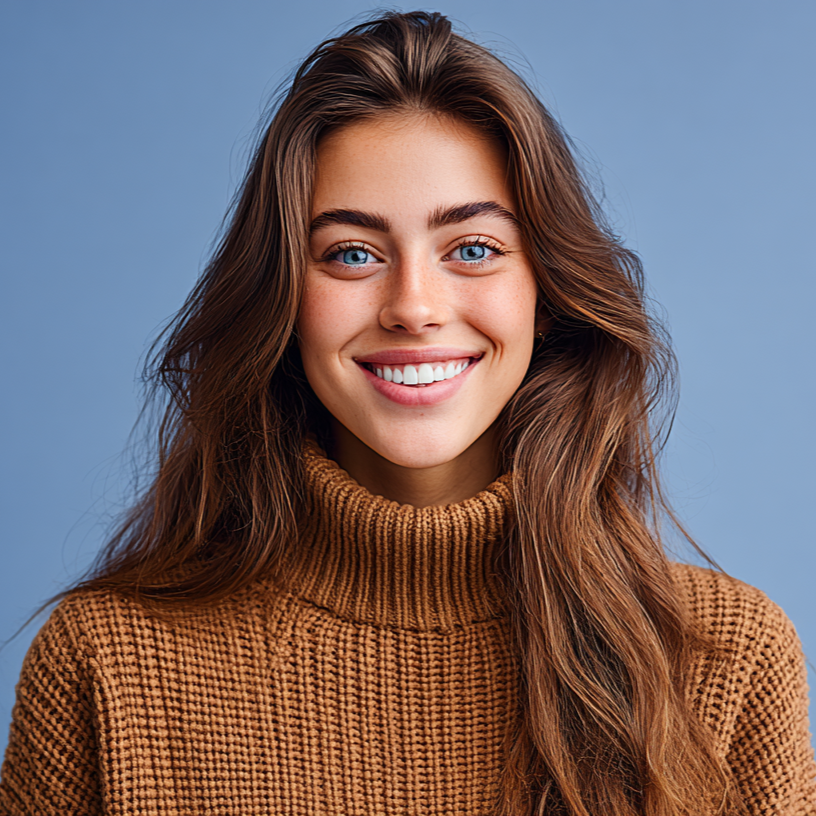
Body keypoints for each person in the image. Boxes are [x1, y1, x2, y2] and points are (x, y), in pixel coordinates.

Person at [1, 11, 813, 816]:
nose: (413, 307)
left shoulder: (728, 664)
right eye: (353, 253)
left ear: (547, 297)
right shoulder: (105, 663)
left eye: (473, 249)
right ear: (283, 298)